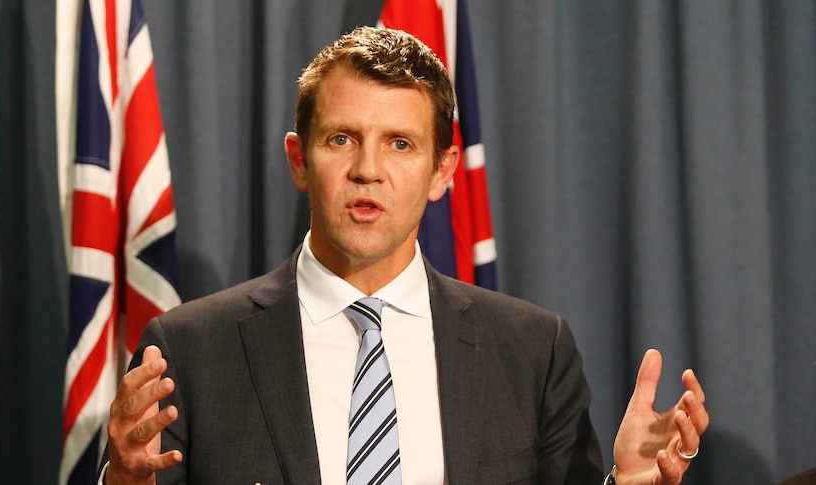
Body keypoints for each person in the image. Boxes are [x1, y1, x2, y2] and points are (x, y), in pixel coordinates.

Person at [102, 26, 709, 484]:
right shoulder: (190, 349)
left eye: (400, 144)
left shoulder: (532, 351)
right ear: (298, 160)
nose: (369, 170)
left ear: (443, 170)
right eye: (342, 139)